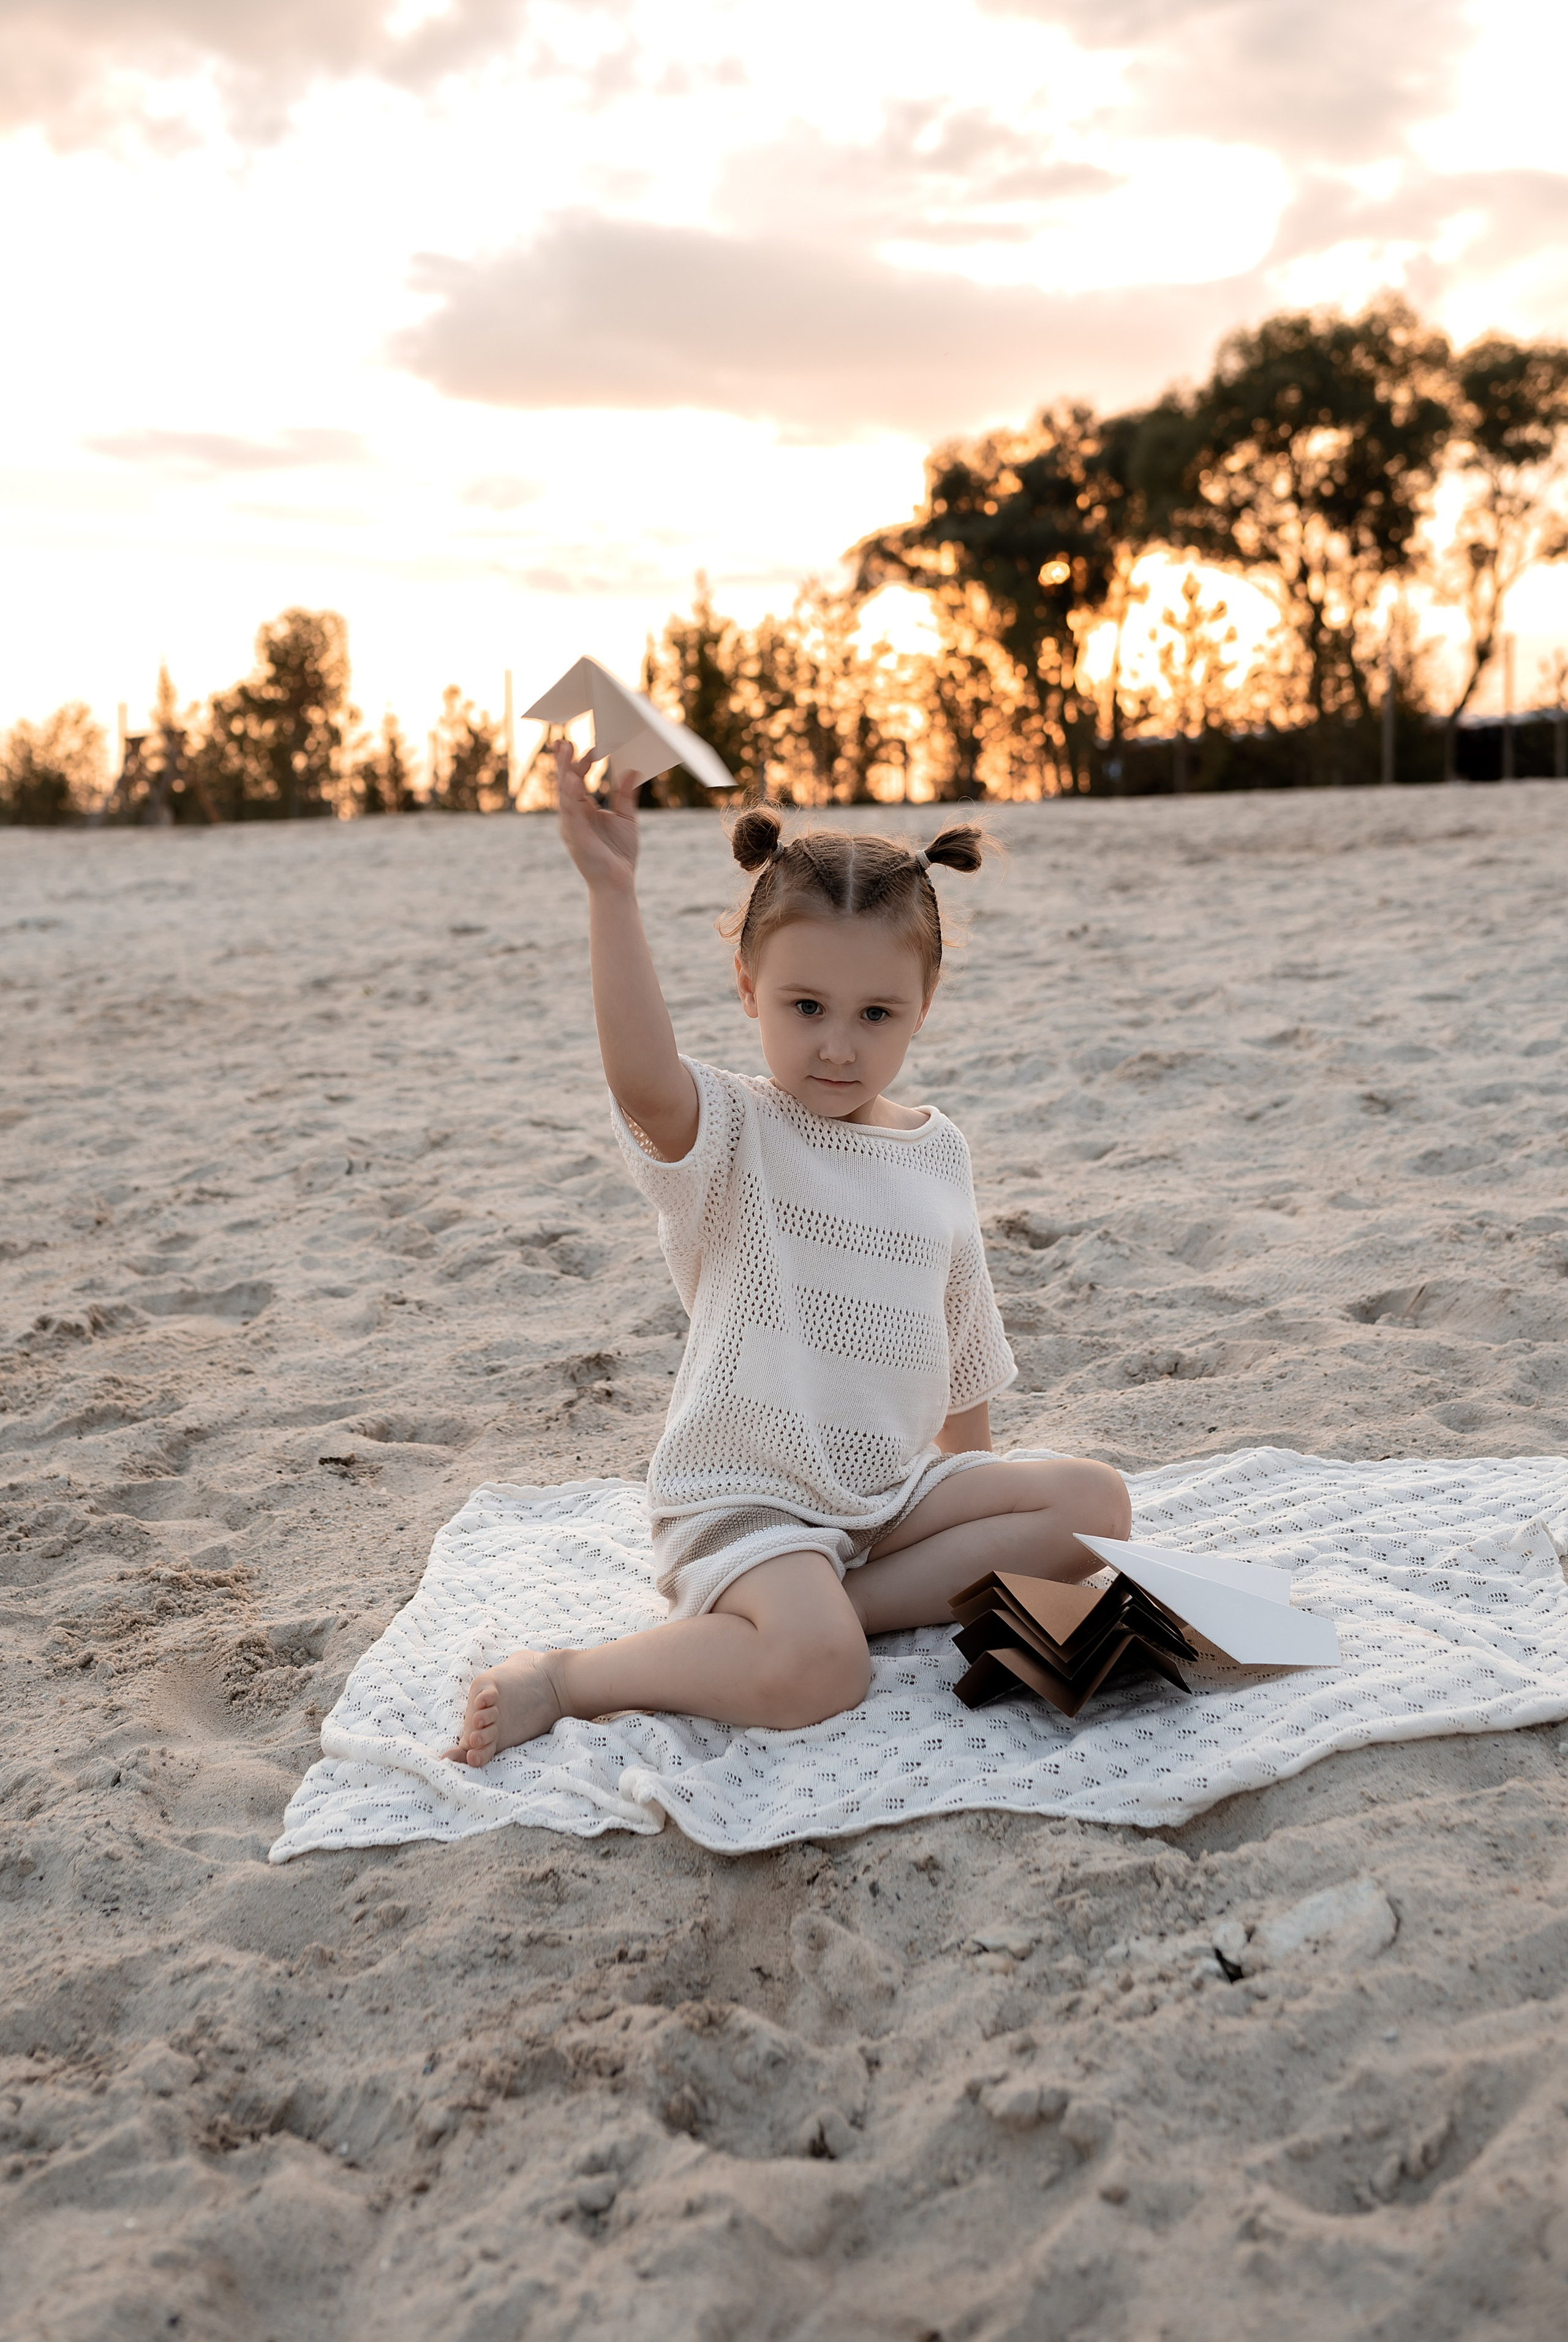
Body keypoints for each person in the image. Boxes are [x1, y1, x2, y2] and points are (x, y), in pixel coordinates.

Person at [444, 745, 1131, 1766]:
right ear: (748, 986)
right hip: (749, 1500)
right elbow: (643, 1080)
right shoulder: (733, 1132)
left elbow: (961, 1345)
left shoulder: (938, 1149)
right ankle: (574, 1675)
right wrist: (612, 889)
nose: (838, 1049)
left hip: (886, 1501)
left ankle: (836, 1603)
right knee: (822, 1672)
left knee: (1096, 1505)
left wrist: (977, 1510)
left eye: (876, 1015)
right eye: (805, 1008)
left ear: (924, 1005)